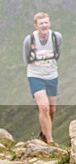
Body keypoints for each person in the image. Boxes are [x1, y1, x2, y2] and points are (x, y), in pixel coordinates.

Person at [23, 12, 62, 144]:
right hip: (35, 76)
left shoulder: (56, 37)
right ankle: (49, 141)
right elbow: (26, 59)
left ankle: (44, 132)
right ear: (36, 26)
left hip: (52, 75)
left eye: (46, 22)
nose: (44, 25)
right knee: (44, 107)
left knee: (51, 109)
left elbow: (58, 54)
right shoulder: (29, 40)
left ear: (49, 23)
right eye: (41, 23)